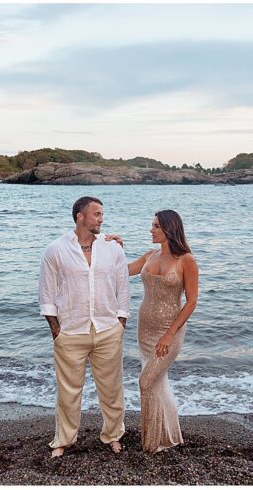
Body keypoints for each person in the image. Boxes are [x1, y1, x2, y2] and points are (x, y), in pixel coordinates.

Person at [38, 196, 130, 458]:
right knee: (68, 393)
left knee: (112, 390)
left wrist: (120, 322)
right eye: (97, 214)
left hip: (107, 329)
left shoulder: (113, 249)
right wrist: (57, 331)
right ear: (80, 216)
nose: (101, 219)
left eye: (102, 214)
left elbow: (123, 288)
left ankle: (113, 435)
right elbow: (47, 295)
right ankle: (64, 440)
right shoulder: (55, 249)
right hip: (71, 332)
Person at [121, 210, 198, 453]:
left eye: (155, 226)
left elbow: (192, 302)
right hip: (144, 329)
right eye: (151, 225)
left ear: (169, 229)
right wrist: (111, 246)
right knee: (158, 383)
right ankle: (170, 436)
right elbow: (121, 270)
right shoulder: (149, 256)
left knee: (146, 382)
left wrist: (168, 334)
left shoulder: (186, 260)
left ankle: (151, 443)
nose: (151, 230)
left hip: (169, 332)